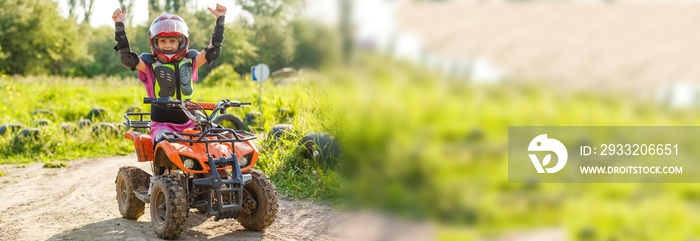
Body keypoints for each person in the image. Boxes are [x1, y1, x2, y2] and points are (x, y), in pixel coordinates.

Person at [112, 4, 227, 143]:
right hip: (162, 125)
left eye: (172, 41)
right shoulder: (149, 65)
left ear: (182, 41)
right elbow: (127, 58)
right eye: (163, 41)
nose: (167, 45)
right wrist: (119, 24)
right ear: (154, 42)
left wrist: (220, 19)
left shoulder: (191, 61)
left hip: (191, 122)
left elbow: (213, 51)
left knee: (225, 135)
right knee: (168, 141)